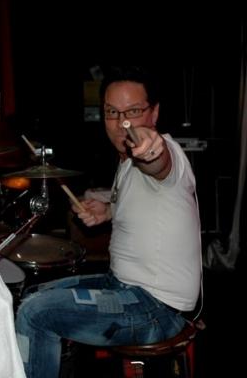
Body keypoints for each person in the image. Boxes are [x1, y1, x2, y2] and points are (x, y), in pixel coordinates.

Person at [15, 66, 202, 378]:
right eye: (112, 112)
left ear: (154, 113)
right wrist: (107, 210)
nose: (122, 123)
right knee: (31, 294)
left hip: (156, 308)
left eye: (134, 111)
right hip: (122, 287)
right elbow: (142, 201)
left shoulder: (169, 153)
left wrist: (151, 148)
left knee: (36, 313)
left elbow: (159, 162)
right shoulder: (126, 164)